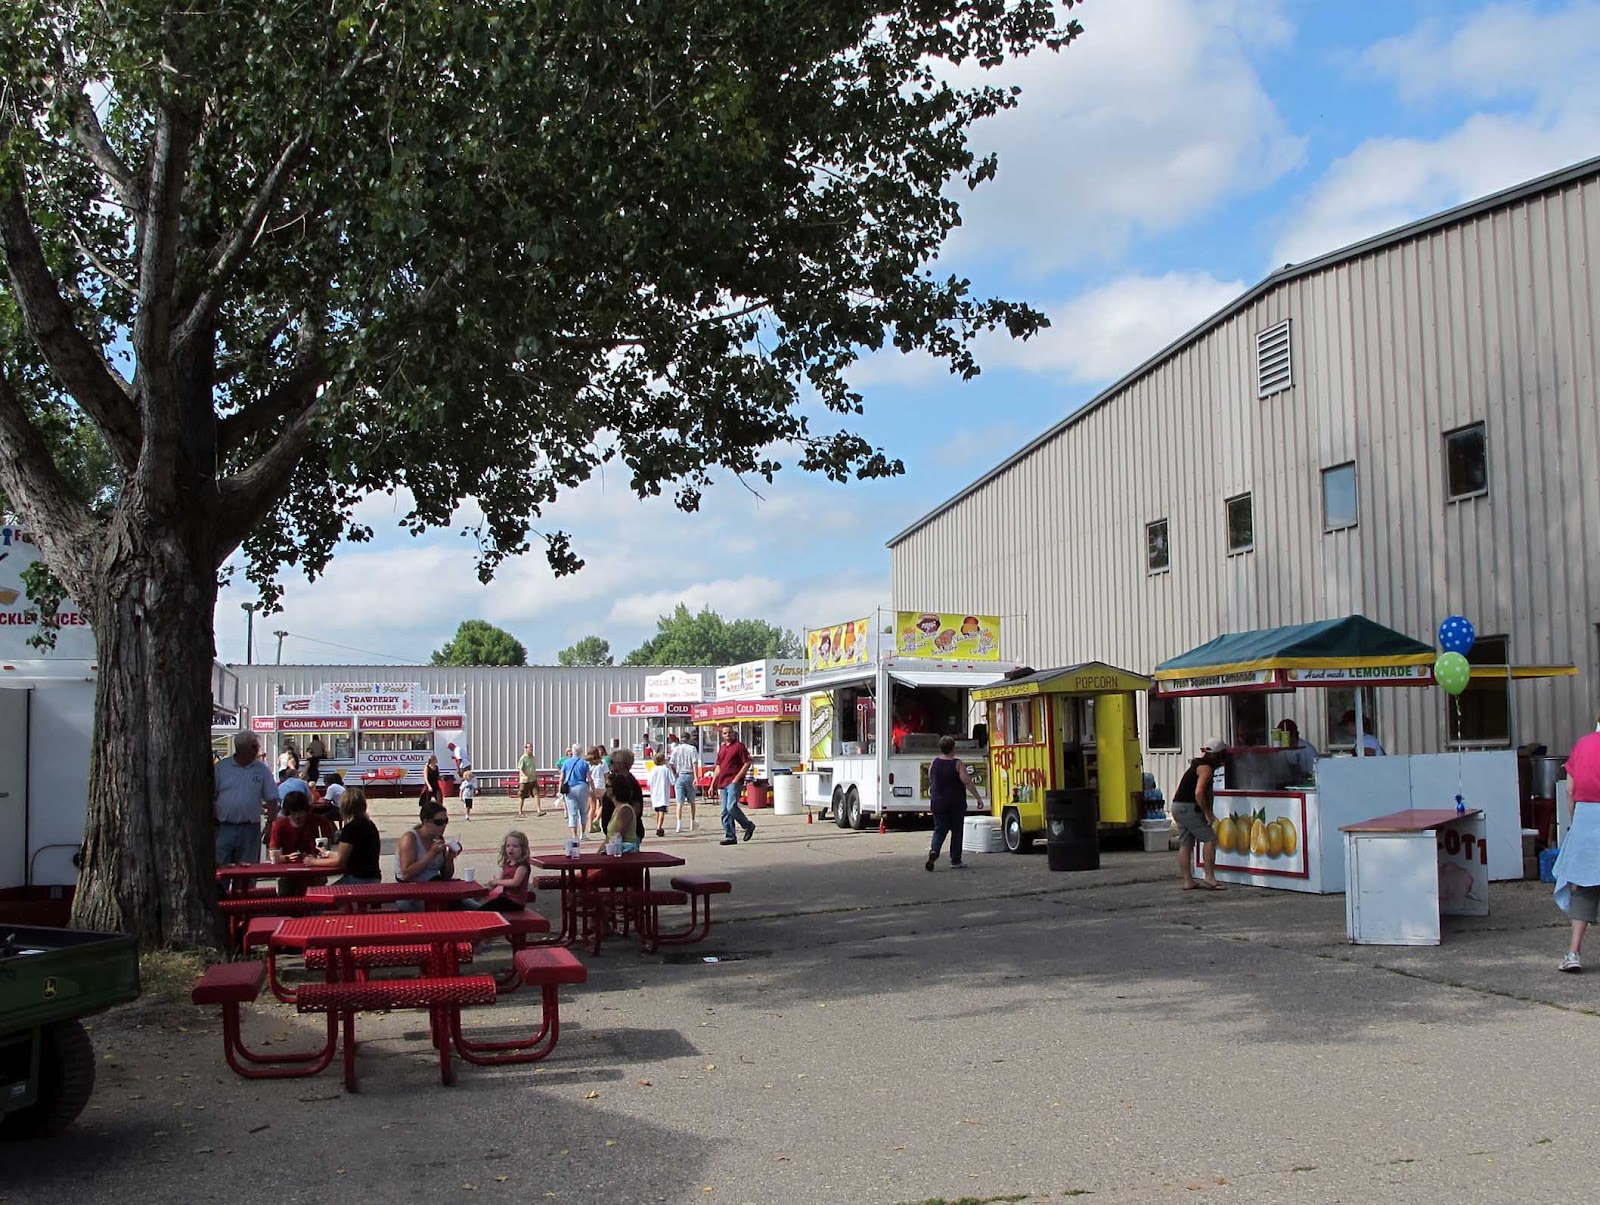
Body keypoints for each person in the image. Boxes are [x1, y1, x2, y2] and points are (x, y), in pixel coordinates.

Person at [1553, 728, 1600, 972]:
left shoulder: (1583, 745)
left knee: (1584, 887)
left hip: (1585, 817)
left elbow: (1570, 790)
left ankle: (1573, 952)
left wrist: (1575, 821)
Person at [214, 730, 280, 865]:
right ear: (241, 748)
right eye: (253, 747)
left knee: (248, 871)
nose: (257, 750)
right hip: (224, 827)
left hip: (250, 828)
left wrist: (269, 825)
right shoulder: (222, 768)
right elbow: (211, 797)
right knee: (222, 870)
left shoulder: (262, 769)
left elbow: (272, 798)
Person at [1171, 738, 1227, 891]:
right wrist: (1207, 813)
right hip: (1188, 807)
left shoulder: (1198, 765)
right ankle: (1209, 877)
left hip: (1177, 806)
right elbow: (1199, 792)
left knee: (1186, 843)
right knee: (1210, 839)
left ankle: (1188, 881)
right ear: (1219, 755)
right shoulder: (1206, 768)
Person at [925, 735, 983, 871]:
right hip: (955, 803)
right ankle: (955, 860)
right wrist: (978, 798)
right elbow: (967, 781)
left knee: (939, 830)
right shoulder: (957, 764)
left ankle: (934, 851)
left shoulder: (934, 763)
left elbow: (930, 777)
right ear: (953, 748)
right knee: (957, 832)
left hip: (938, 802)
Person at [305, 787, 382, 884]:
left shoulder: (350, 828)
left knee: (324, 893)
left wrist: (313, 862)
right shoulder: (369, 825)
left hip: (358, 878)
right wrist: (327, 853)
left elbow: (340, 861)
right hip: (373, 877)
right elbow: (351, 854)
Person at [267, 791, 334, 895]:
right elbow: (273, 855)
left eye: (301, 812)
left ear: (306, 810)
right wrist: (286, 857)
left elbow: (327, 849)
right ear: (288, 812)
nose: (297, 816)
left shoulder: (320, 822)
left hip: (314, 869)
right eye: (293, 812)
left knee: (317, 893)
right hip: (287, 871)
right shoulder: (279, 825)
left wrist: (317, 857)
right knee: (285, 896)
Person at [395, 801, 457, 911]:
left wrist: (450, 857)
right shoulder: (410, 838)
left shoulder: (438, 838)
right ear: (426, 822)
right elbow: (406, 874)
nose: (443, 826)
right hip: (411, 891)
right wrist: (431, 854)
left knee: (466, 905)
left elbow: (446, 876)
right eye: (439, 822)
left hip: (435, 888)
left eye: (446, 821)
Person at [467, 830, 533, 912]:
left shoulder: (522, 866)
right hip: (506, 898)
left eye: (515, 846)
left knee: (486, 911)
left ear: (523, 849)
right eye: (508, 846)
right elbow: (499, 881)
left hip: (516, 902)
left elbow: (515, 882)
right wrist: (485, 892)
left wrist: (497, 882)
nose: (511, 849)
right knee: (484, 909)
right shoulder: (507, 864)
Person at [713, 724, 756, 846]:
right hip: (723, 782)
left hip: (733, 781)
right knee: (725, 811)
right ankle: (730, 836)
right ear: (722, 735)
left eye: (729, 733)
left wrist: (737, 778)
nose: (728, 735)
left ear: (733, 733)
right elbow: (718, 767)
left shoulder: (739, 746)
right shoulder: (722, 749)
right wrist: (712, 784)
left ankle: (748, 825)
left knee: (731, 807)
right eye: (725, 733)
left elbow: (747, 763)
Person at [601, 748, 645, 838]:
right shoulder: (614, 779)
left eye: (612, 762)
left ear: (622, 764)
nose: (610, 764)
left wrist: (620, 830)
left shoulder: (629, 782)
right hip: (612, 831)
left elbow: (636, 808)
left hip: (624, 834)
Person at [561, 745, 595, 843]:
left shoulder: (566, 762)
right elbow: (589, 778)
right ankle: (583, 834)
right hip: (582, 787)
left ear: (572, 751)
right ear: (580, 752)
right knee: (583, 811)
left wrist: (560, 790)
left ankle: (574, 835)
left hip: (570, 788)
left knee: (572, 813)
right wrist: (593, 789)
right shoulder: (584, 763)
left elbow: (562, 778)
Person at [669, 734, 700, 833]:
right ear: (689, 739)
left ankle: (679, 824)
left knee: (679, 802)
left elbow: (671, 763)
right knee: (692, 801)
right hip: (689, 775)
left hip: (679, 776)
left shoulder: (676, 749)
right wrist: (696, 777)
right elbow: (694, 763)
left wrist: (675, 773)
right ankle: (692, 822)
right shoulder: (692, 749)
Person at [647, 751, 675, 838]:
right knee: (662, 811)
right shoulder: (665, 769)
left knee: (658, 811)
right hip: (663, 793)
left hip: (655, 793)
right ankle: (659, 827)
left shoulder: (652, 770)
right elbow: (673, 780)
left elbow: (649, 782)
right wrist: (669, 767)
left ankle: (658, 826)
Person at [518, 741, 543, 818]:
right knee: (522, 796)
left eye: (532, 748)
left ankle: (539, 810)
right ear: (526, 749)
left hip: (533, 779)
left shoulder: (533, 758)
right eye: (529, 748)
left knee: (536, 794)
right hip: (525, 781)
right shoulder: (523, 758)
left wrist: (535, 774)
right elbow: (520, 768)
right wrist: (524, 775)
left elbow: (533, 767)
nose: (531, 749)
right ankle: (520, 811)